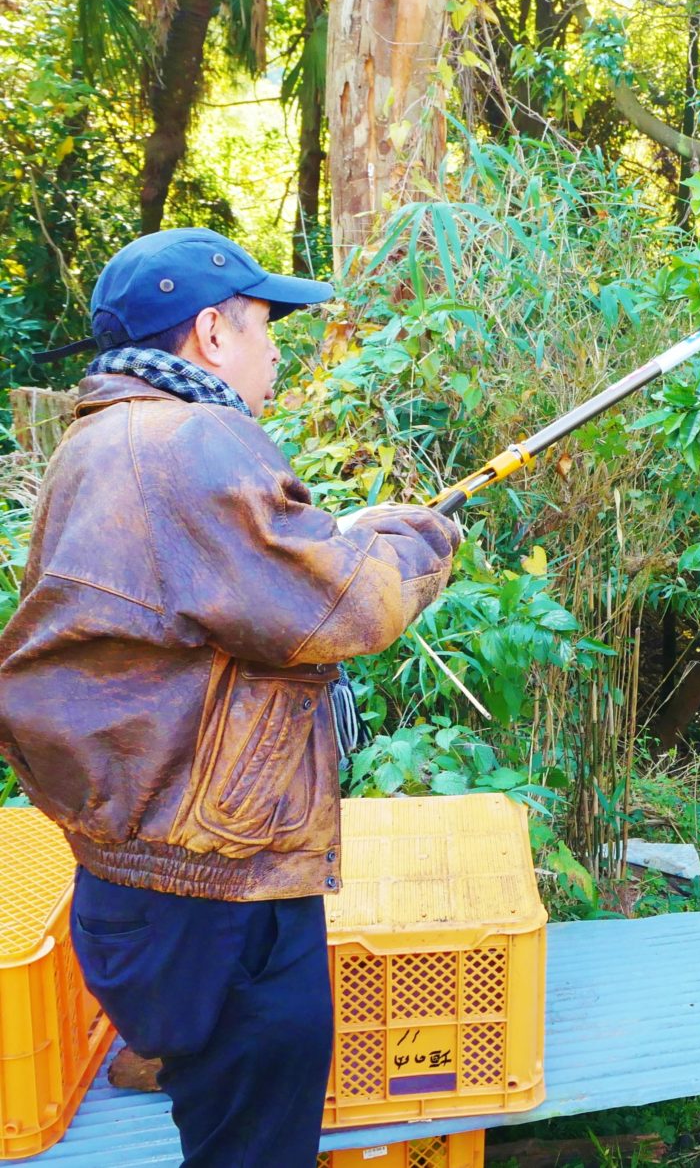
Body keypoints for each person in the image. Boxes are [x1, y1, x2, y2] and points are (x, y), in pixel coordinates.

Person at [0, 227, 463, 1167]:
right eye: (263, 325)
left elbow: (231, 588)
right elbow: (345, 604)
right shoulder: (191, 439)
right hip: (218, 889)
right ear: (210, 332)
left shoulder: (103, 439)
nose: (276, 348)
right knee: (256, 1148)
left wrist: (346, 533)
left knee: (223, 1118)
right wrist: (421, 539)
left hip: (141, 870)